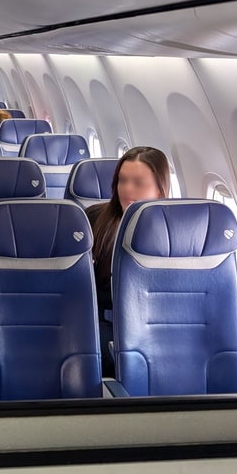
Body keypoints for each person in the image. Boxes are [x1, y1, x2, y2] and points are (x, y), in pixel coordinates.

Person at [85, 146, 170, 377]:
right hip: (104, 324)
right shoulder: (94, 219)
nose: (127, 189)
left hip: (156, 327)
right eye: (123, 180)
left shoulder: (174, 231)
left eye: (138, 182)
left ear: (160, 190)